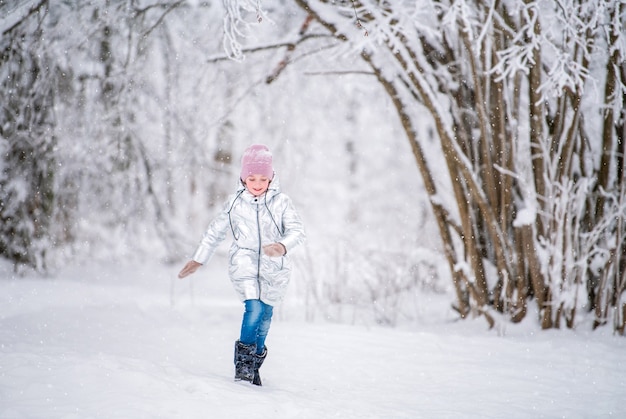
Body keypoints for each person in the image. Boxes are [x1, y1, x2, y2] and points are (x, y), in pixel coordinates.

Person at [178, 144, 306, 386]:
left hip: (274, 269)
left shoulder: (281, 202)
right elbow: (215, 232)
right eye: (251, 178)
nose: (257, 183)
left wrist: (282, 246)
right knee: (254, 309)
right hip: (244, 264)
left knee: (266, 315)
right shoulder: (235, 203)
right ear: (243, 178)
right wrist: (199, 258)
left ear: (271, 177)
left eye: (262, 178)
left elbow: (298, 231)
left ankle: (255, 361)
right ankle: (244, 366)